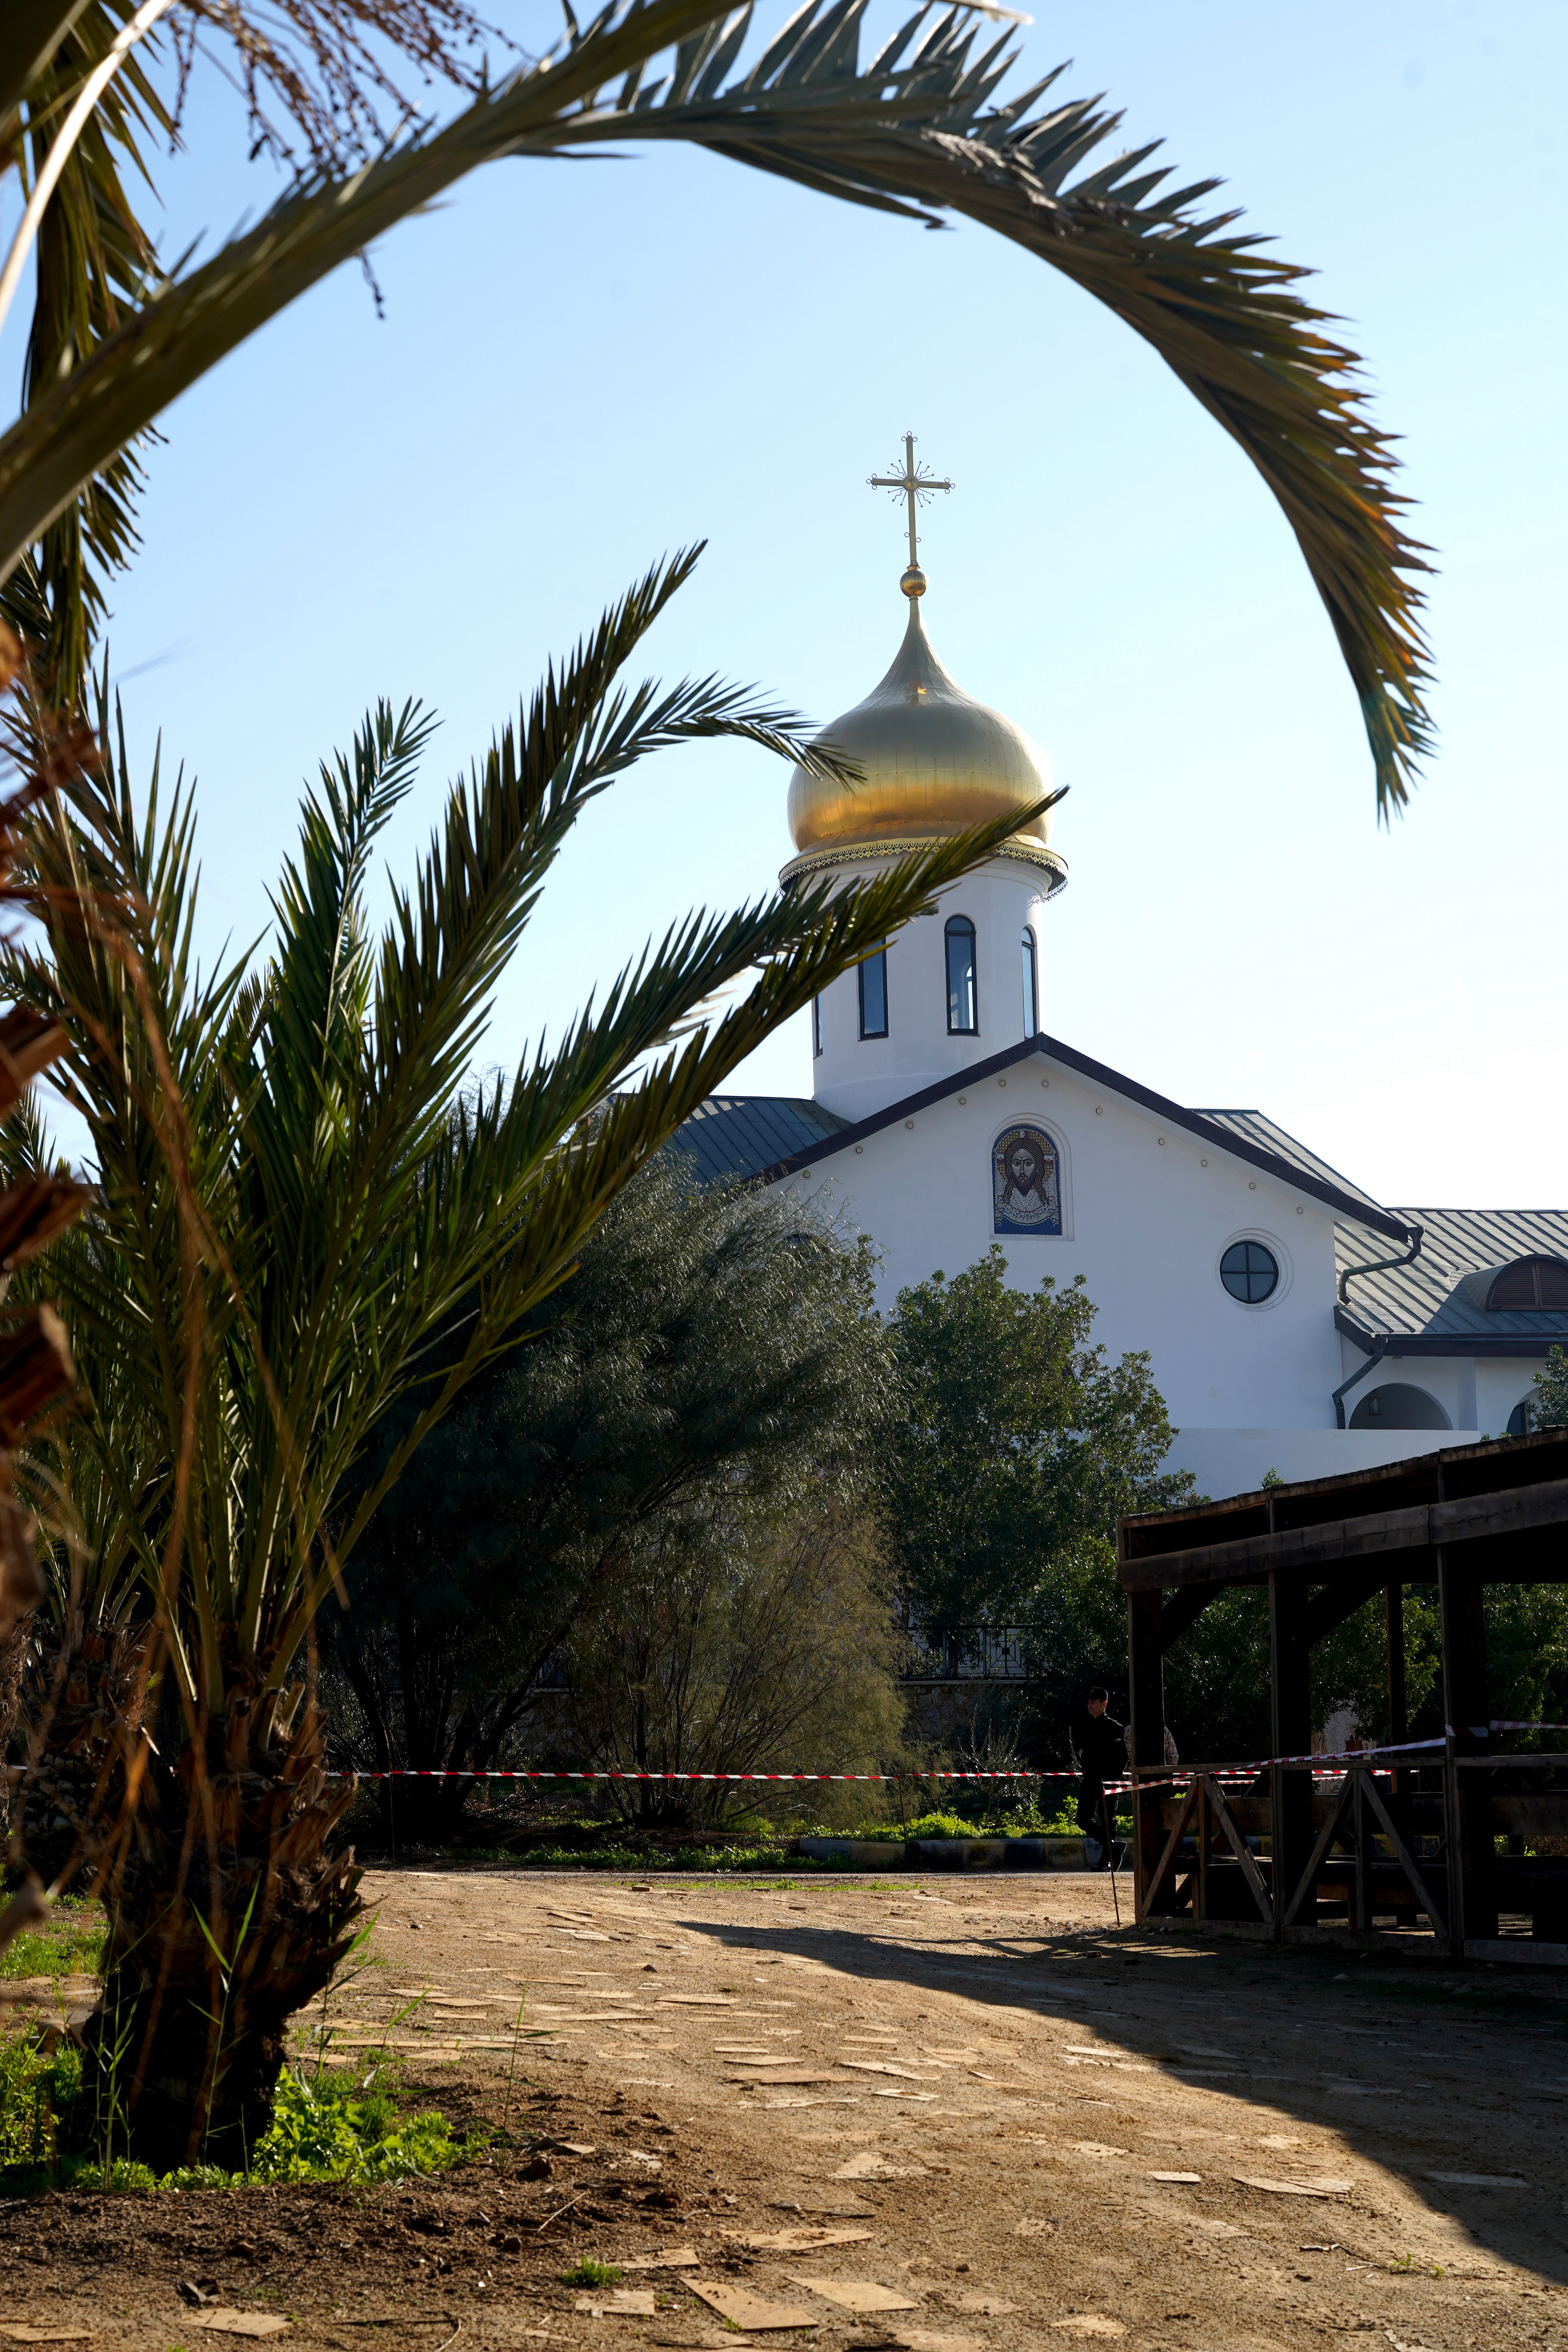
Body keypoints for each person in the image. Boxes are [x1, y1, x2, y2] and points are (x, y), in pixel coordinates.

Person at [1076, 1686, 1127, 1870]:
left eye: (1094, 1702)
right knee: (1082, 1819)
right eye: (1088, 1702)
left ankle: (1107, 1860)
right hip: (1091, 1779)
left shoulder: (1113, 1727)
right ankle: (1112, 1845)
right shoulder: (1088, 1724)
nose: (1090, 1705)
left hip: (1108, 1781)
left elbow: (1122, 1758)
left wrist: (1112, 1780)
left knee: (1108, 1820)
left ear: (1104, 1704)